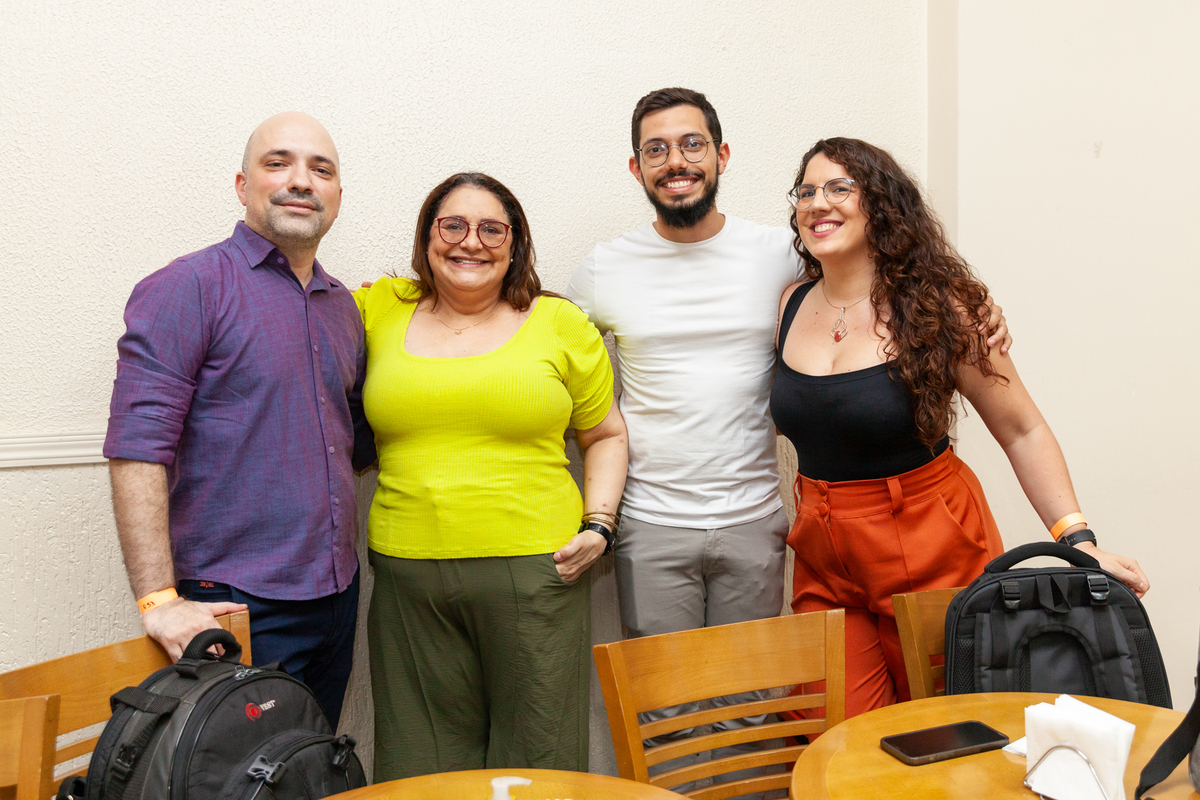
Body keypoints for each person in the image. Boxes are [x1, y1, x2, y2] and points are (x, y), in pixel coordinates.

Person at [566, 88, 1008, 791]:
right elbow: (542, 334)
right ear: (635, 166)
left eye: (691, 144)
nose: (676, 161)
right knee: (667, 715)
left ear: (721, 155)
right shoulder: (602, 268)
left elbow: (880, 281)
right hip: (652, 520)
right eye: (656, 149)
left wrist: (972, 306)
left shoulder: (782, 256)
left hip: (759, 520)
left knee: (762, 713)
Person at [772, 136, 1149, 719]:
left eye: (840, 187)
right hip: (824, 550)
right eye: (807, 191)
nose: (819, 202)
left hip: (928, 535)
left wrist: (1078, 541)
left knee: (951, 722)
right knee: (828, 727)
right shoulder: (790, 303)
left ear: (881, 205)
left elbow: (1022, 429)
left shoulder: (941, 309)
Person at [357, 173, 628, 780]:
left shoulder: (558, 322)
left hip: (537, 574)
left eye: (491, 229)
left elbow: (606, 434)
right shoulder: (379, 308)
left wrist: (600, 525)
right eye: (452, 225)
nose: (470, 242)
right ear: (427, 237)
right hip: (407, 580)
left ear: (516, 243)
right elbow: (298, 313)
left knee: (537, 762)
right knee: (421, 768)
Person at [103, 112, 370, 728]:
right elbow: (138, 447)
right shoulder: (188, 286)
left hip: (337, 595)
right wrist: (158, 601)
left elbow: (354, 440)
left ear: (337, 195)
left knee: (310, 765)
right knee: (234, 773)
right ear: (242, 185)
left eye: (320, 169)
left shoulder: (343, 308)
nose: (300, 180)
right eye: (278, 163)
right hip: (233, 606)